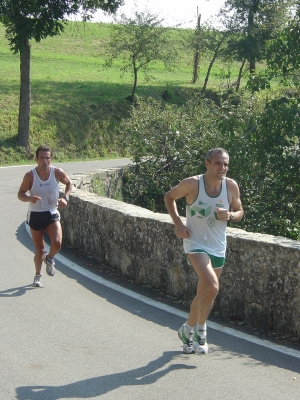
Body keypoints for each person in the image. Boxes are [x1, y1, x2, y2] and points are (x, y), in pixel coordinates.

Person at [164, 148, 244, 354]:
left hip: (218, 245)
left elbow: (240, 211)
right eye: (218, 163)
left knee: (205, 292)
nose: (222, 168)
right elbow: (169, 197)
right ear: (207, 163)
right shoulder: (192, 184)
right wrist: (178, 225)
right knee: (212, 286)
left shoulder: (230, 186)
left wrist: (231, 216)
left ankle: (187, 330)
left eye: (225, 164)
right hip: (195, 242)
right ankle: (202, 329)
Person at [18, 146, 72, 287]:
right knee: (39, 249)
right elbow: (21, 194)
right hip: (35, 215)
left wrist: (65, 198)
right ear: (36, 159)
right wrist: (30, 199)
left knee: (57, 243)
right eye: (41, 158)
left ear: (51, 159)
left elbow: (69, 183)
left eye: (47, 158)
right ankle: (37, 275)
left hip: (51, 212)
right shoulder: (30, 176)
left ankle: (49, 259)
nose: (44, 161)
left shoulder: (57, 172)